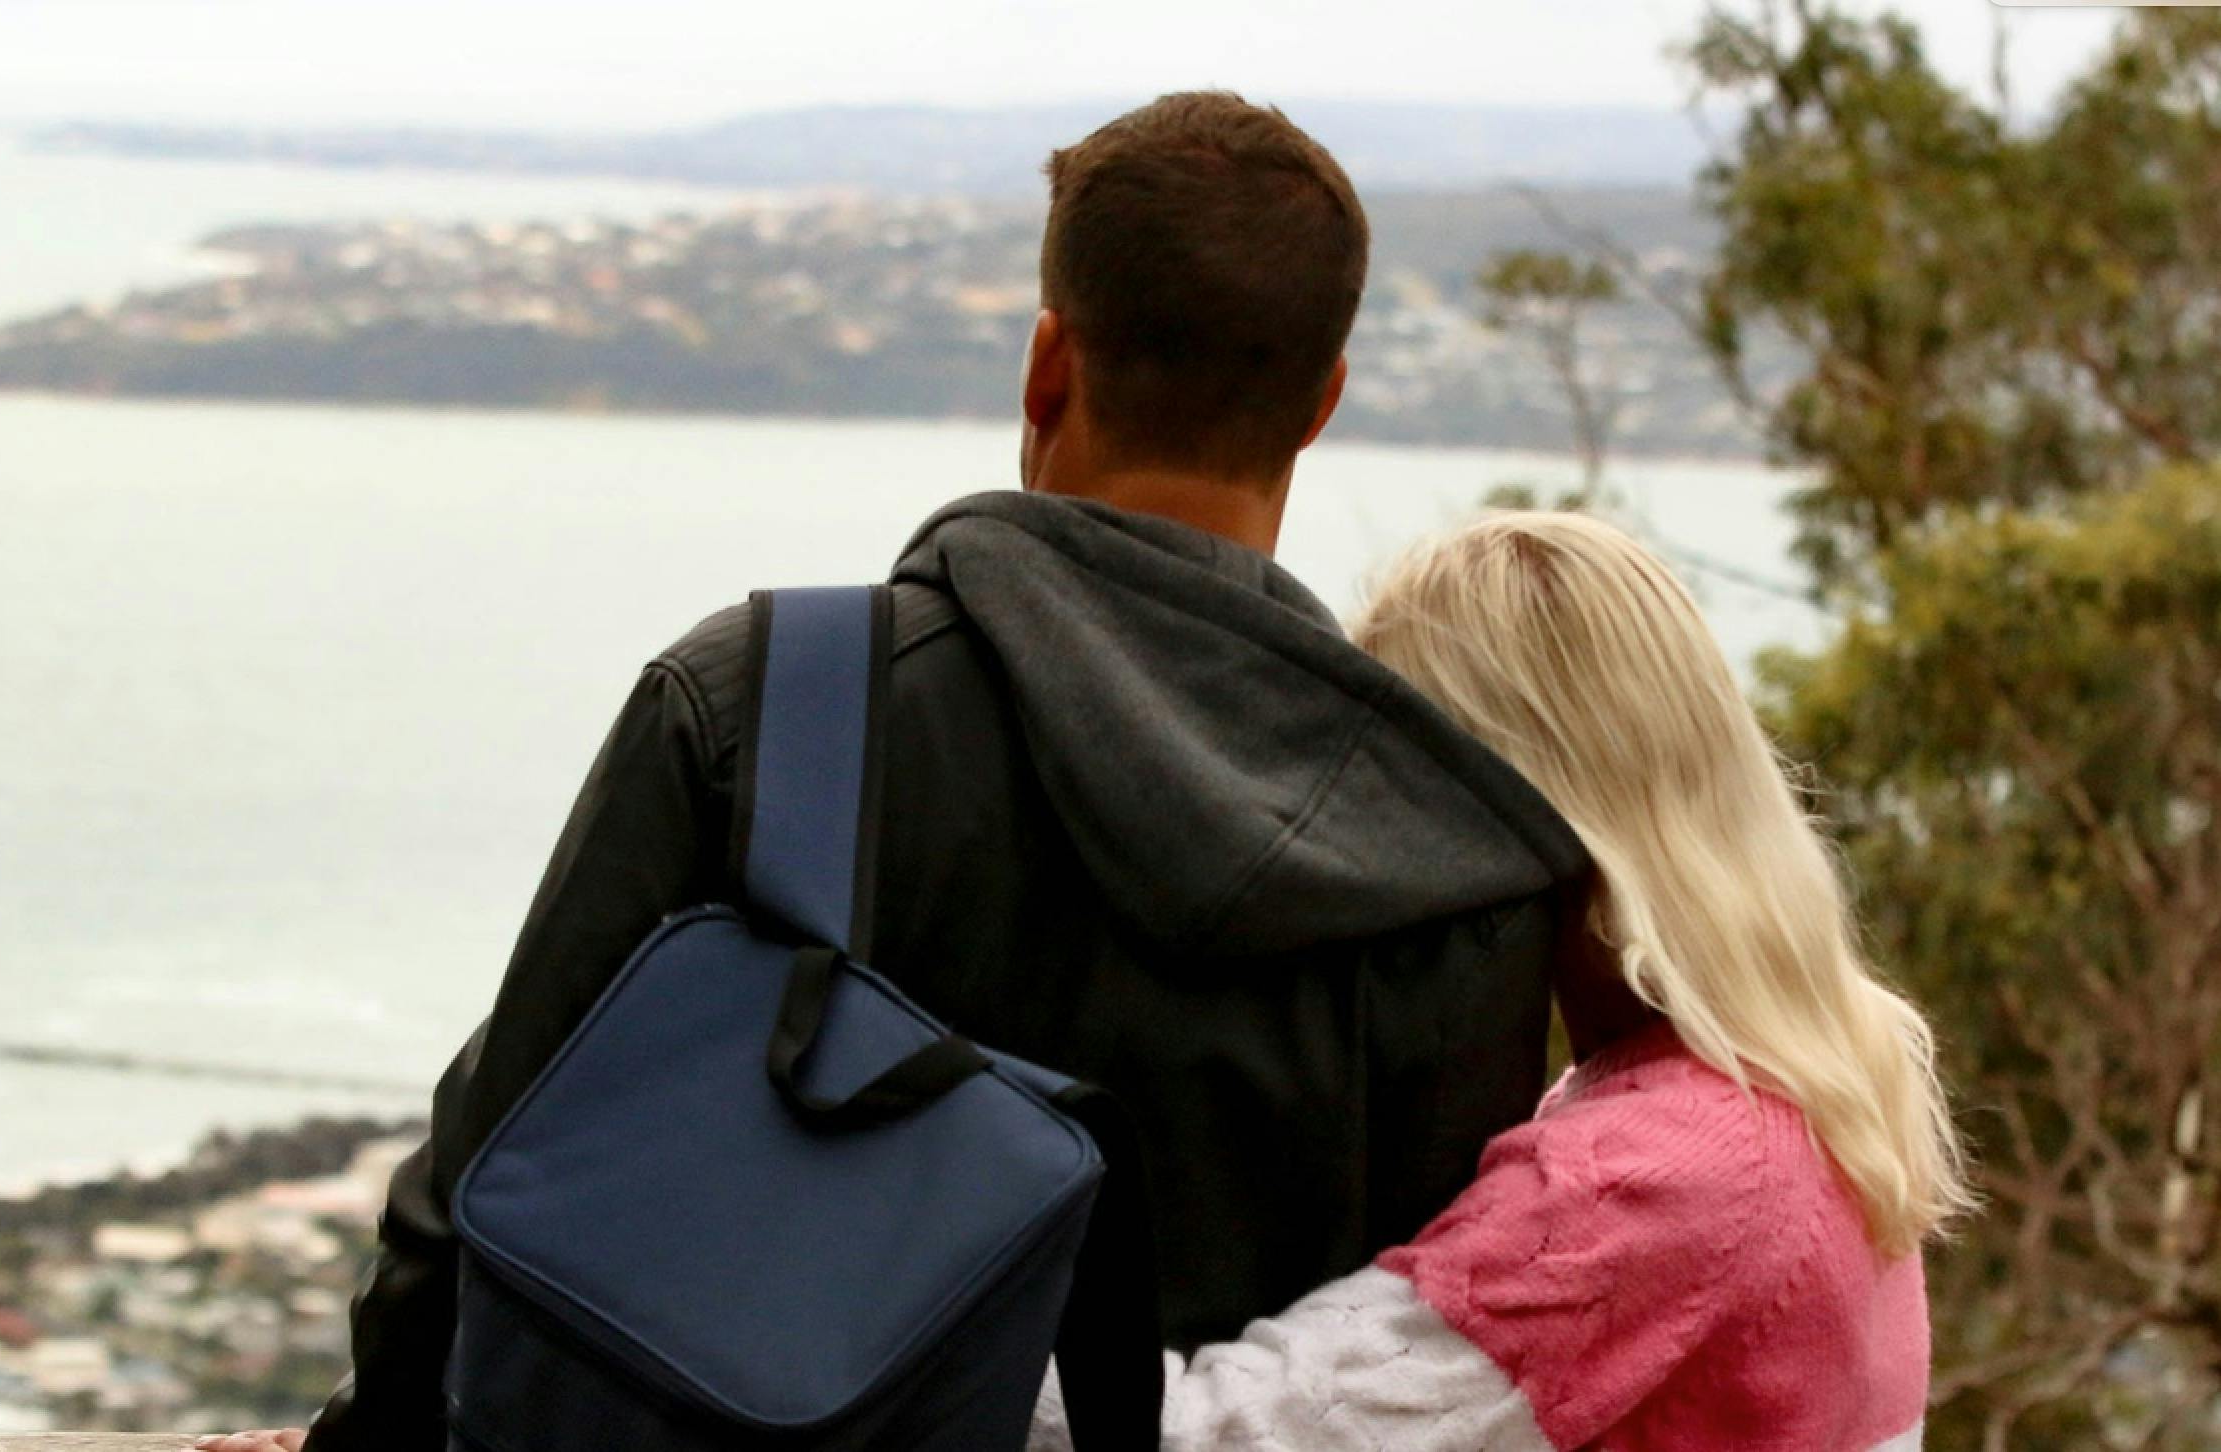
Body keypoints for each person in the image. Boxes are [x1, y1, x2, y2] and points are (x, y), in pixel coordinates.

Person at [201, 92, 1588, 1452]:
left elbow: (493, 1178)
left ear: (1049, 367)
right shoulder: (1461, 857)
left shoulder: (773, 703)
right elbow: (1431, 1355)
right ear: (1320, 403)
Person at [1025, 511, 1973, 1451]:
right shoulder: (1811, 1082)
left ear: (1517, 810)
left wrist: (925, 1292)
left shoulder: (1656, 1181)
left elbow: (1206, 1440)